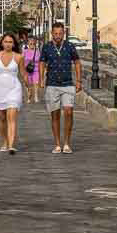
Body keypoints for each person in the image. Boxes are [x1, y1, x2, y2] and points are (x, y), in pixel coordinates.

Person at [39, 20, 82, 154]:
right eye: (55, 33)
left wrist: (79, 80)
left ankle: (67, 143)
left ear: (64, 34)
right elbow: (41, 63)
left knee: (69, 112)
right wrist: (41, 79)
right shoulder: (46, 47)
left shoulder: (70, 46)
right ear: (52, 34)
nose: (58, 36)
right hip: (52, 84)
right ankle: (57, 144)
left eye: (60, 33)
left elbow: (77, 62)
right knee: (55, 114)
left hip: (67, 83)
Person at [21, 36, 41, 103]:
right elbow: (21, 60)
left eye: (33, 44)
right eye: (30, 44)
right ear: (28, 44)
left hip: (36, 70)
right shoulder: (25, 51)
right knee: (28, 84)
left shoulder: (37, 52)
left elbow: (40, 61)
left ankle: (36, 96)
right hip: (27, 70)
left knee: (36, 83)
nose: (32, 45)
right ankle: (29, 95)